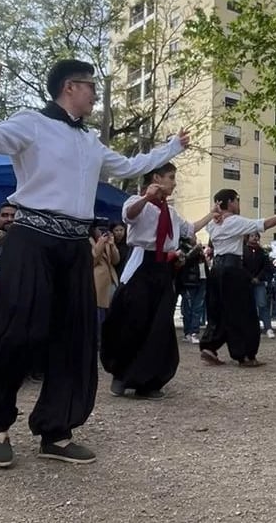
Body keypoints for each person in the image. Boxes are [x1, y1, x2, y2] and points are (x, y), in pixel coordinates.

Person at [0, 60, 188, 468]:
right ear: (70, 87)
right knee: (16, 329)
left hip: (73, 245)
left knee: (75, 338)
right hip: (31, 239)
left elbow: (130, 166)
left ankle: (57, 429)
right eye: (90, 88)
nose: (95, 96)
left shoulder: (89, 142)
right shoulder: (31, 123)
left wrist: (173, 146)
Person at [101, 163, 214, 400]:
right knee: (133, 321)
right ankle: (121, 375)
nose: (174, 183)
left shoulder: (171, 212)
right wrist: (146, 198)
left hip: (162, 270)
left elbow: (189, 229)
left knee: (159, 325)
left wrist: (211, 215)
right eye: (171, 177)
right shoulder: (137, 202)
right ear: (156, 178)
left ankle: (149, 379)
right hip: (142, 265)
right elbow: (129, 215)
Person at [200, 190, 276, 367]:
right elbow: (265, 224)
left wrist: (215, 213)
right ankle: (245, 354)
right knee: (243, 311)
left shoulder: (213, 224)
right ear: (230, 202)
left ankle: (210, 345)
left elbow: (212, 221)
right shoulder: (235, 221)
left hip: (216, 268)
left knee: (218, 310)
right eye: (236, 200)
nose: (238, 204)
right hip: (232, 267)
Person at [90, 220, 120, 329]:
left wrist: (112, 246)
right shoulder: (90, 242)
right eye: (100, 230)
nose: (103, 233)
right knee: (98, 319)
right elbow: (92, 260)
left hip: (110, 283)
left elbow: (116, 260)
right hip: (98, 286)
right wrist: (100, 243)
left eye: (105, 230)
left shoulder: (107, 242)